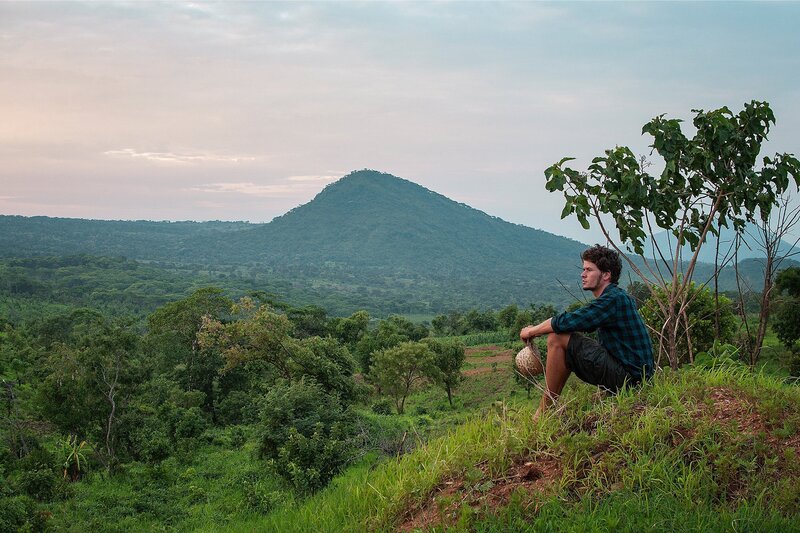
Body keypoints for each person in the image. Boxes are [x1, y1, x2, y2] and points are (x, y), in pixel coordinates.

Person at [520, 245, 654, 419]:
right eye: (583, 269)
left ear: (606, 275)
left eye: (589, 270)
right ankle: (550, 405)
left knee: (557, 337)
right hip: (633, 377)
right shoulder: (616, 297)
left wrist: (531, 331)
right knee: (565, 339)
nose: (583, 274)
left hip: (630, 380)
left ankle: (542, 413)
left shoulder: (613, 299)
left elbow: (570, 321)